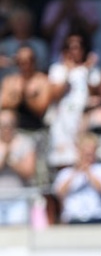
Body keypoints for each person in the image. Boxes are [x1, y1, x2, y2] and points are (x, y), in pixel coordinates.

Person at [46, 30, 101, 172]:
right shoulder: (57, 69)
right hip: (64, 119)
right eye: (70, 47)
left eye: (78, 47)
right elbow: (55, 94)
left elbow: (96, 93)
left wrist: (88, 69)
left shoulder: (91, 69)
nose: (74, 51)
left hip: (83, 119)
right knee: (64, 159)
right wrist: (67, 71)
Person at [0, 44, 51, 186]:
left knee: (40, 176)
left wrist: (21, 94)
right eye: (20, 61)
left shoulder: (42, 80)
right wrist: (27, 94)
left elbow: (41, 108)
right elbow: (4, 104)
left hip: (36, 134)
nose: (24, 65)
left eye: (28, 60)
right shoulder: (10, 80)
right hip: (15, 135)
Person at [52, 132, 101, 224]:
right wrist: (75, 172)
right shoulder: (66, 173)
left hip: (100, 218)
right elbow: (59, 193)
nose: (87, 156)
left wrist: (88, 172)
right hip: (74, 219)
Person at [0, 108, 37, 225]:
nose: (6, 128)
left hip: (19, 199)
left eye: (10, 124)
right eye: (3, 125)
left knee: (18, 239)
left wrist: (11, 160)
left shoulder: (25, 142)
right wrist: (4, 157)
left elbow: (28, 172)